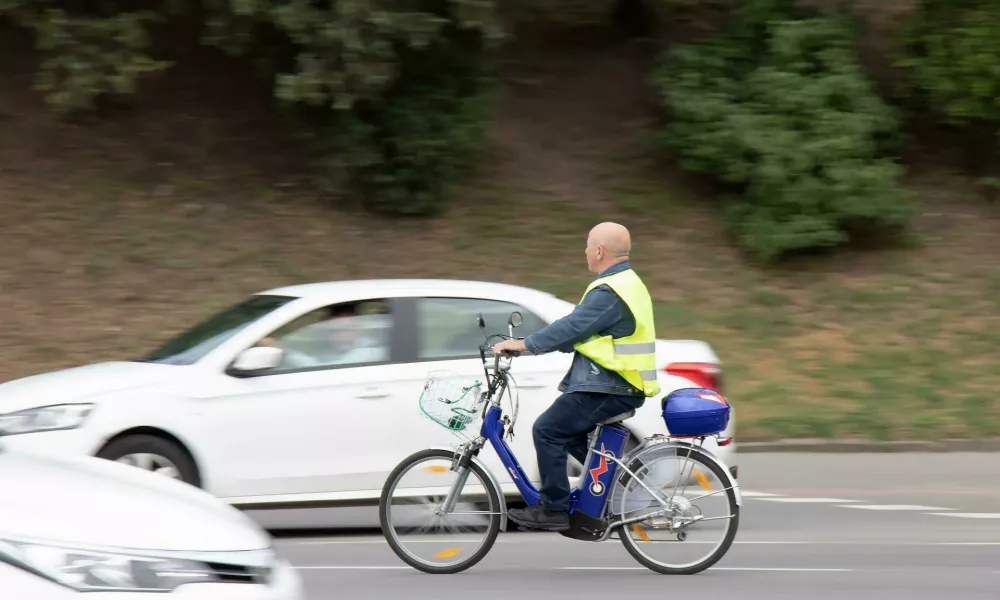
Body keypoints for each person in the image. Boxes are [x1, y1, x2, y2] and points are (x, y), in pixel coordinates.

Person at [491, 221, 660, 531]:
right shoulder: (624, 282)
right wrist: (536, 346)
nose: (584, 251)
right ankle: (621, 483)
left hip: (611, 384)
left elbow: (572, 327)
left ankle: (553, 508)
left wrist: (523, 344)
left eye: (586, 246)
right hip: (616, 382)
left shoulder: (611, 290)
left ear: (598, 250)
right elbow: (580, 331)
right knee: (569, 434)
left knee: (548, 429)